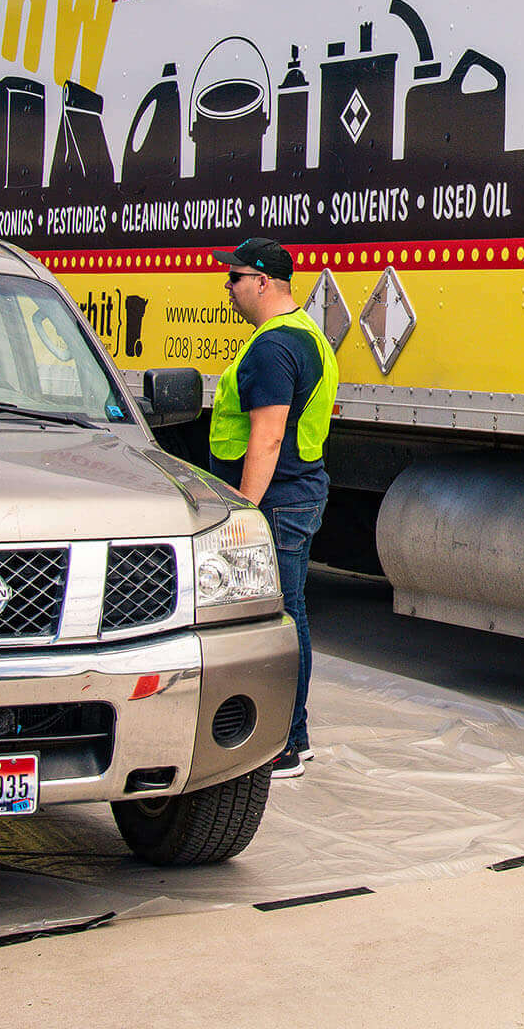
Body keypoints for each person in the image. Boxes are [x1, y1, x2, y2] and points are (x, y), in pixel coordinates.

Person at [209, 237, 337, 780]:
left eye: (234, 278)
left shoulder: (271, 347)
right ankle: (294, 736)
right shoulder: (308, 335)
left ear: (262, 282)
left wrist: (242, 513)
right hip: (299, 492)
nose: (228, 288)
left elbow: (266, 436)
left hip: (276, 503)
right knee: (294, 615)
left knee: (278, 621)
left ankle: (286, 741)